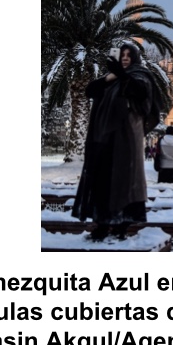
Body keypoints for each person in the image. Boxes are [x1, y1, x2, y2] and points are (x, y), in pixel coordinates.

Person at [71, 42, 161, 241]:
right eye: (122, 55)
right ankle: (102, 225)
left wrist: (122, 74)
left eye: (129, 55)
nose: (125, 58)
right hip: (104, 140)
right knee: (102, 181)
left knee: (124, 182)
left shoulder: (141, 75)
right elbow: (91, 91)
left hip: (126, 140)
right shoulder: (111, 78)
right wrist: (111, 76)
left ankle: (121, 226)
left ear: (135, 57)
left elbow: (141, 94)